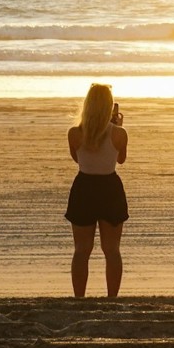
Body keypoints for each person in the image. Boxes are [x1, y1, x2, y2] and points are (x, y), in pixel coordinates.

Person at [66, 83, 128, 298]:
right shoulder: (119, 133)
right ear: (109, 106)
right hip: (109, 188)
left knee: (82, 251)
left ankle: (79, 298)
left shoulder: (75, 133)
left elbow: (78, 159)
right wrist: (116, 125)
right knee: (112, 250)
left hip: (84, 187)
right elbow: (121, 159)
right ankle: (112, 298)